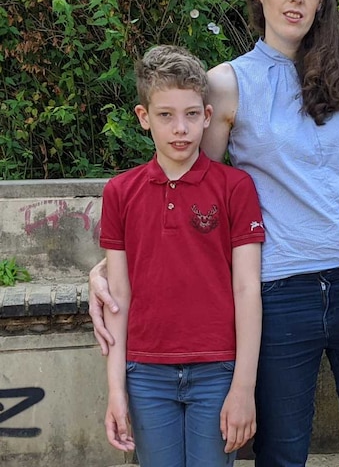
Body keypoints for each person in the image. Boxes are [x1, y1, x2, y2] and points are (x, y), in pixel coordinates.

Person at [90, 0, 339, 466]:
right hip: (279, 293)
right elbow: (198, 185)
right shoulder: (226, 86)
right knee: (280, 454)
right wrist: (107, 265)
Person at [100, 45, 265, 466]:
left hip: (216, 370)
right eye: (165, 115)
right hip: (146, 372)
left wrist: (243, 386)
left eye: (192, 114)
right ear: (143, 118)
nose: (180, 128)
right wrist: (116, 390)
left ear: (208, 116)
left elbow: (247, 288)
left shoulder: (235, 187)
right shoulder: (120, 192)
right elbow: (118, 294)